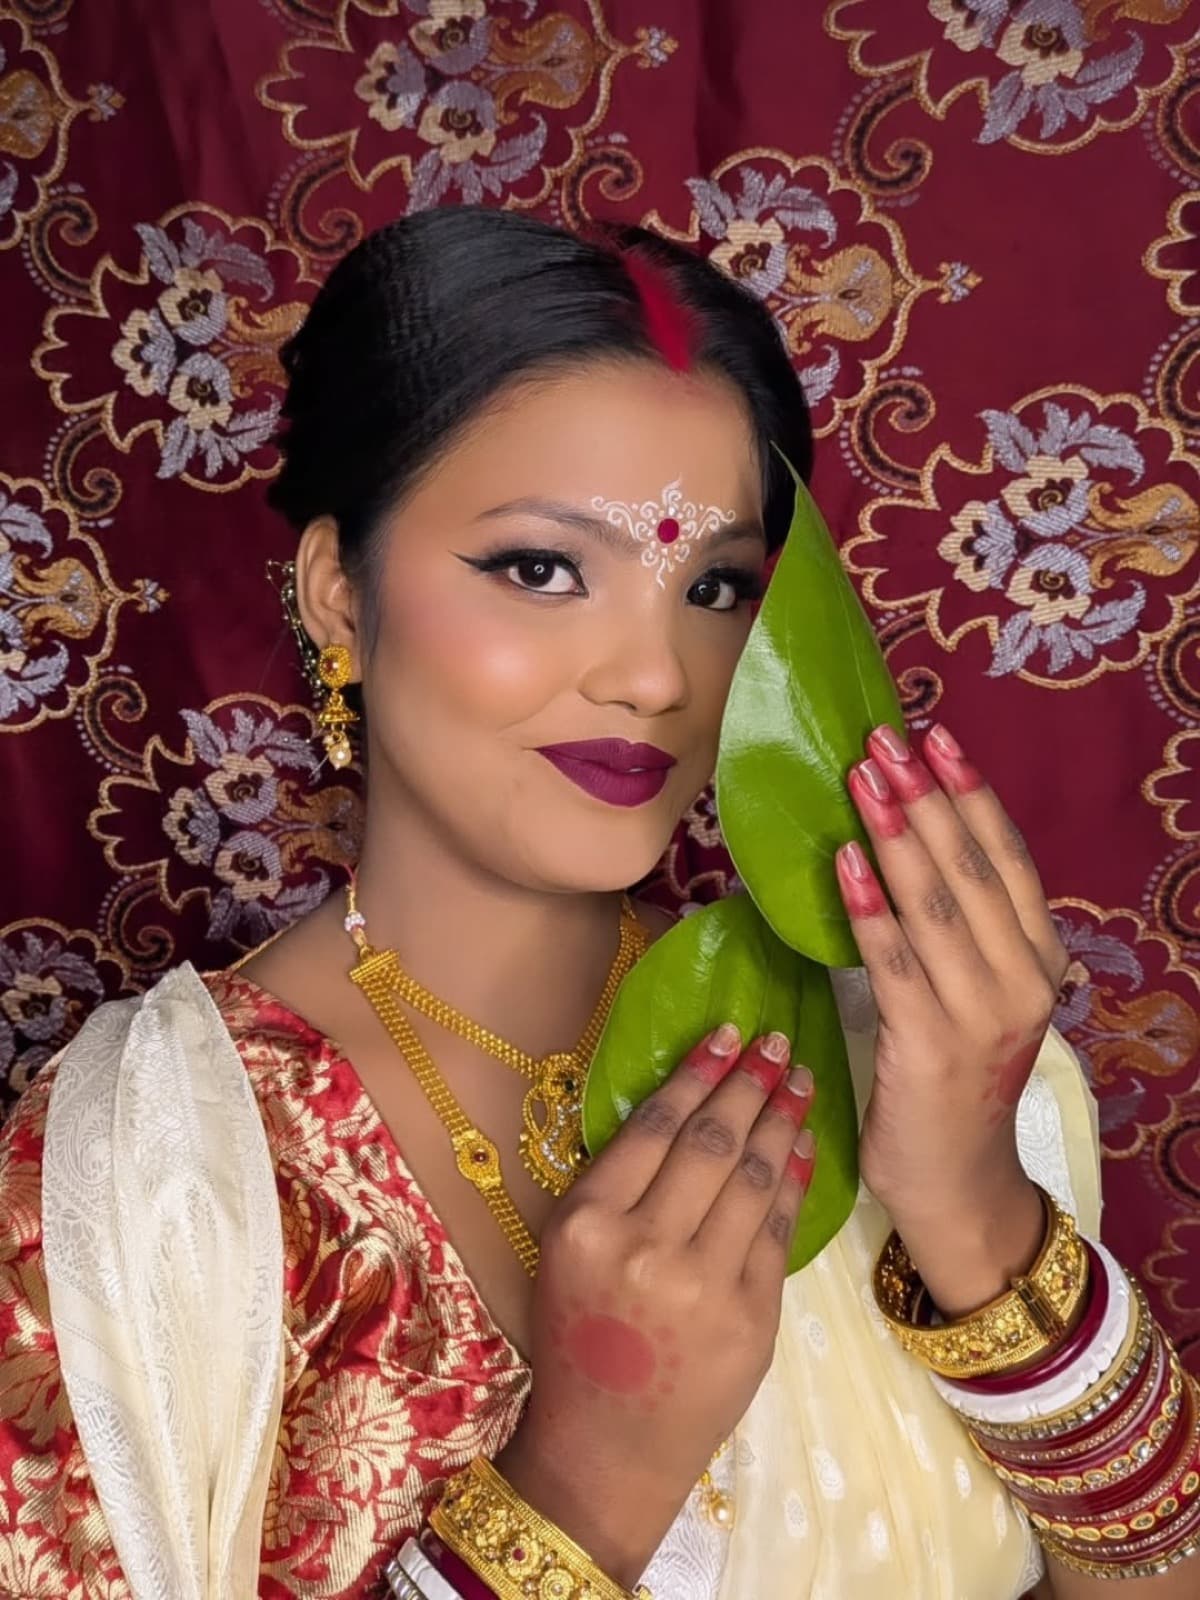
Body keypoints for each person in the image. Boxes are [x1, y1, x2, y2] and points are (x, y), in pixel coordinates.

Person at [0, 207, 1195, 1600]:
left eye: (715, 586)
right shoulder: (142, 1192)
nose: (655, 675)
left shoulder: (919, 1058)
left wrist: (977, 1211)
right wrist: (588, 1483)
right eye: (541, 568)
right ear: (338, 594)